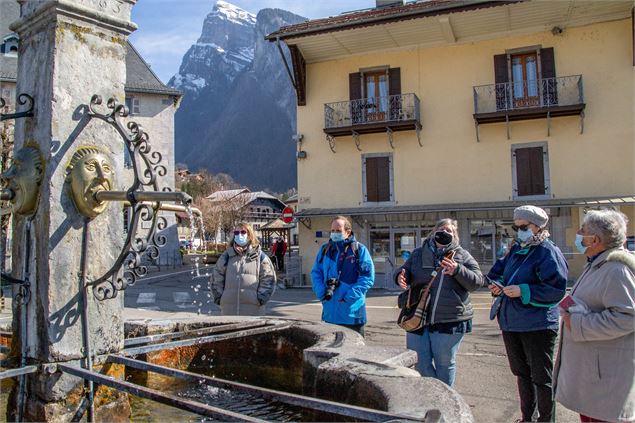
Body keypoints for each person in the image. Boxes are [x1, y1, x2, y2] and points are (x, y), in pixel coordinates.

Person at [487, 205, 568, 423]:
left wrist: (524, 290)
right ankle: (527, 418)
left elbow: (556, 289)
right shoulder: (516, 249)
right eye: (516, 226)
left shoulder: (548, 252)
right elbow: (497, 272)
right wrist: (497, 284)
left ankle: (546, 419)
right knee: (522, 374)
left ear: (537, 226)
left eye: (523, 226)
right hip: (512, 322)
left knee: (541, 378)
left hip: (538, 324)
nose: (518, 230)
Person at [553, 209, 635, 422]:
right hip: (594, 374)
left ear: (595, 239)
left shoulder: (617, 269)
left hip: (607, 377)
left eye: (583, 230)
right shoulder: (598, 264)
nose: (578, 233)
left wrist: (577, 322)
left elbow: (627, 317)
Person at [394, 218, 484, 387]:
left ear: (455, 235)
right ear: (434, 232)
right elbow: (403, 270)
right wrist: (400, 275)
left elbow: (477, 281)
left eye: (450, 230)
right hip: (417, 317)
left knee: (444, 364)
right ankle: (430, 396)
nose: (445, 232)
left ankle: (444, 401)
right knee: (419, 362)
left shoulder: (461, 255)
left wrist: (458, 270)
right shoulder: (419, 253)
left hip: (449, 319)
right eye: (442, 229)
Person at [311, 216, 374, 336]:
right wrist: (320, 291)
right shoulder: (325, 250)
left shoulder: (359, 250)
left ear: (348, 232)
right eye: (333, 231)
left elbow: (367, 278)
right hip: (329, 315)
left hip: (352, 315)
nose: (334, 233)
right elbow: (316, 273)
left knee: (354, 353)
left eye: (338, 231)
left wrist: (348, 297)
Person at [211, 222, 276, 316]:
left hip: (253, 310)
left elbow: (268, 278)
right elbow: (216, 277)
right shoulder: (226, 256)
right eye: (236, 233)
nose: (239, 235)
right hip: (229, 310)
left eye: (243, 232)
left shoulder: (260, 256)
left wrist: (261, 299)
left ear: (249, 235)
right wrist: (220, 298)